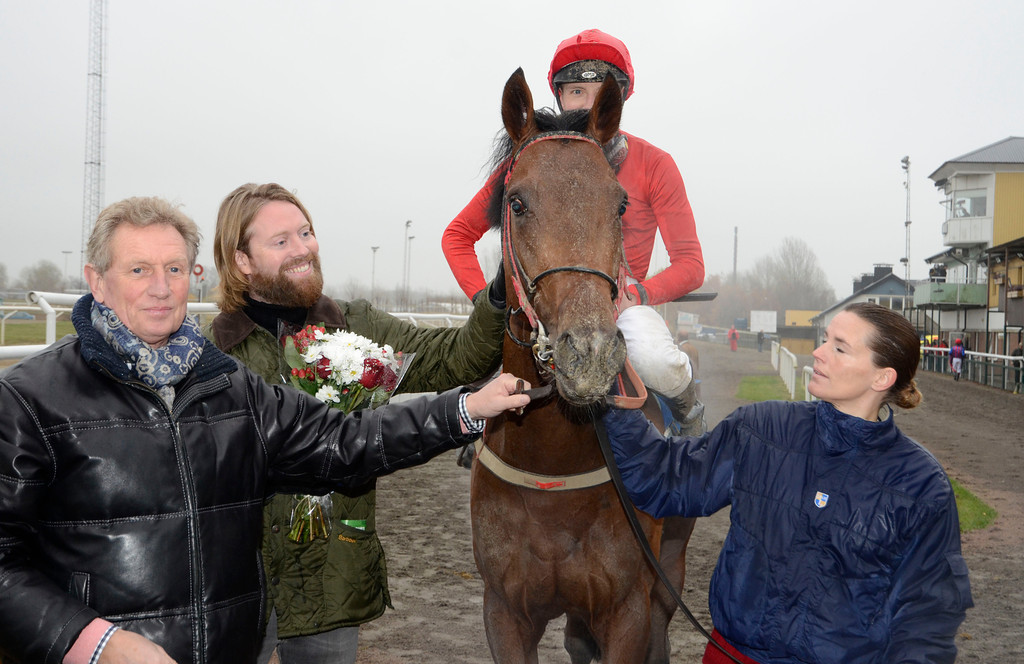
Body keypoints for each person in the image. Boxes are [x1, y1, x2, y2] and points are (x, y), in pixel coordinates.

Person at [0, 196, 531, 664]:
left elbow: (343, 441)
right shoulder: (31, 397)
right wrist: (91, 641)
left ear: (195, 273)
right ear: (96, 280)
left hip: (264, 615)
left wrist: (466, 408)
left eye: (175, 269)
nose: (161, 289)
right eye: (139, 270)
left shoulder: (228, 383)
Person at [207, 183, 507, 664]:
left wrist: (499, 293)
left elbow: (455, 358)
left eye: (306, 232)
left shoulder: (356, 326)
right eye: (281, 241)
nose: (303, 248)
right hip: (241, 582)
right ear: (242, 260)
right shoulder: (213, 354)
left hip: (333, 577)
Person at [602, 302, 972, 663]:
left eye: (839, 347)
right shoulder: (761, 428)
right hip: (732, 654)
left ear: (882, 377)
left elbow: (926, 622)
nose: (818, 352)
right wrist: (609, 391)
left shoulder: (923, 486)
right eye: (825, 340)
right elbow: (665, 479)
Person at [441, 28, 704, 422]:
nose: (586, 102)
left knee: (654, 360)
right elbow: (457, 236)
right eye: (576, 90)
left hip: (620, 308)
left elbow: (691, 265)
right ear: (560, 97)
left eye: (600, 92)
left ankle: (689, 421)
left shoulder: (656, 164)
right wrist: (488, 305)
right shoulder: (528, 162)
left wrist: (643, 292)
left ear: (617, 102)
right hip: (545, 309)